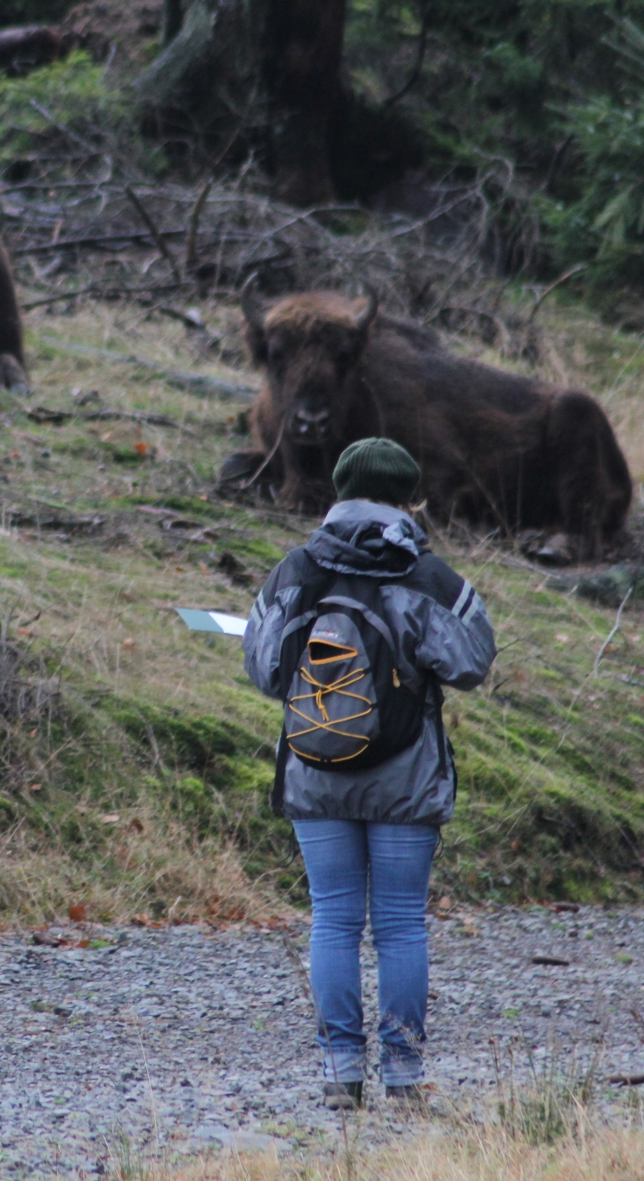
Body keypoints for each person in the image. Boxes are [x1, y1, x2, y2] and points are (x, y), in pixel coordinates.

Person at [241, 437, 496, 1111]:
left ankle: (340, 1070)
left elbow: (265, 668)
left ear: (338, 489)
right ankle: (405, 1073)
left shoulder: (297, 570)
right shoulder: (428, 575)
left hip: (315, 773)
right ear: (409, 497)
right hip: (406, 777)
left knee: (332, 917)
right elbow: (472, 660)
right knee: (401, 923)